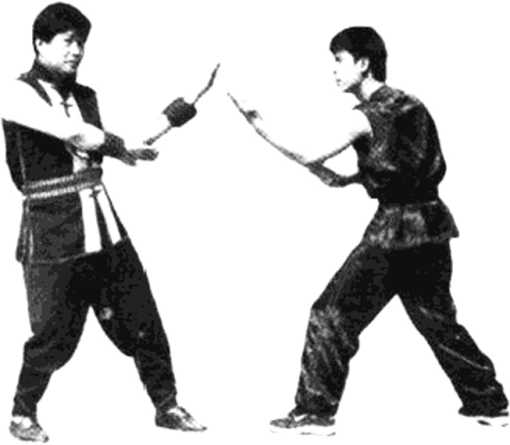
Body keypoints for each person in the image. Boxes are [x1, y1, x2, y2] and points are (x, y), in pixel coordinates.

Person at [231, 26, 508, 434]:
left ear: (363, 63)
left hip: (395, 232)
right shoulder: (411, 104)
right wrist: (354, 178)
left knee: (331, 314)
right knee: (436, 319)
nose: (333, 70)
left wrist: (253, 118)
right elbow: (411, 164)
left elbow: (307, 151)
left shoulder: (363, 117)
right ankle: (490, 403)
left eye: (339, 61)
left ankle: (315, 413)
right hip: (432, 226)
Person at [2, 3, 204, 442]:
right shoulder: (14, 93)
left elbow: (127, 143)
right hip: (52, 231)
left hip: (104, 224)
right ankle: (21, 413)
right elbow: (77, 134)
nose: (77, 51)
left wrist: (187, 103)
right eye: (67, 41)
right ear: (39, 43)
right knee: (53, 334)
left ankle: (166, 405)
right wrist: (121, 146)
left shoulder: (87, 96)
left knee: (143, 316)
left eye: (82, 43)